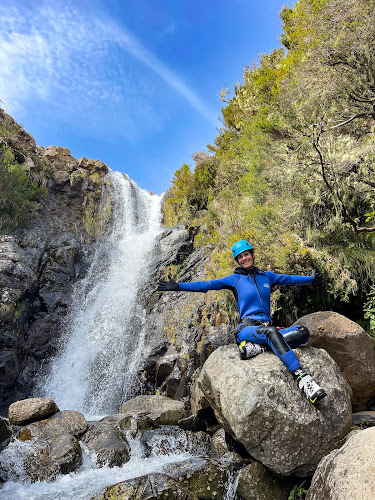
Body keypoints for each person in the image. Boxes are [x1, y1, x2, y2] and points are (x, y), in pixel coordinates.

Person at [157, 240, 326, 405]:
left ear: (252, 254)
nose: (244, 258)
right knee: (271, 333)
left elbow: (289, 279)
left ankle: (260, 348)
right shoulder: (234, 280)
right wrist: (178, 286)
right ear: (237, 260)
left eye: (246, 254)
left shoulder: (267, 276)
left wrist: (311, 279)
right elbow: (207, 285)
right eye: (240, 257)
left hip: (266, 329)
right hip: (248, 328)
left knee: (302, 332)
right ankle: (304, 380)